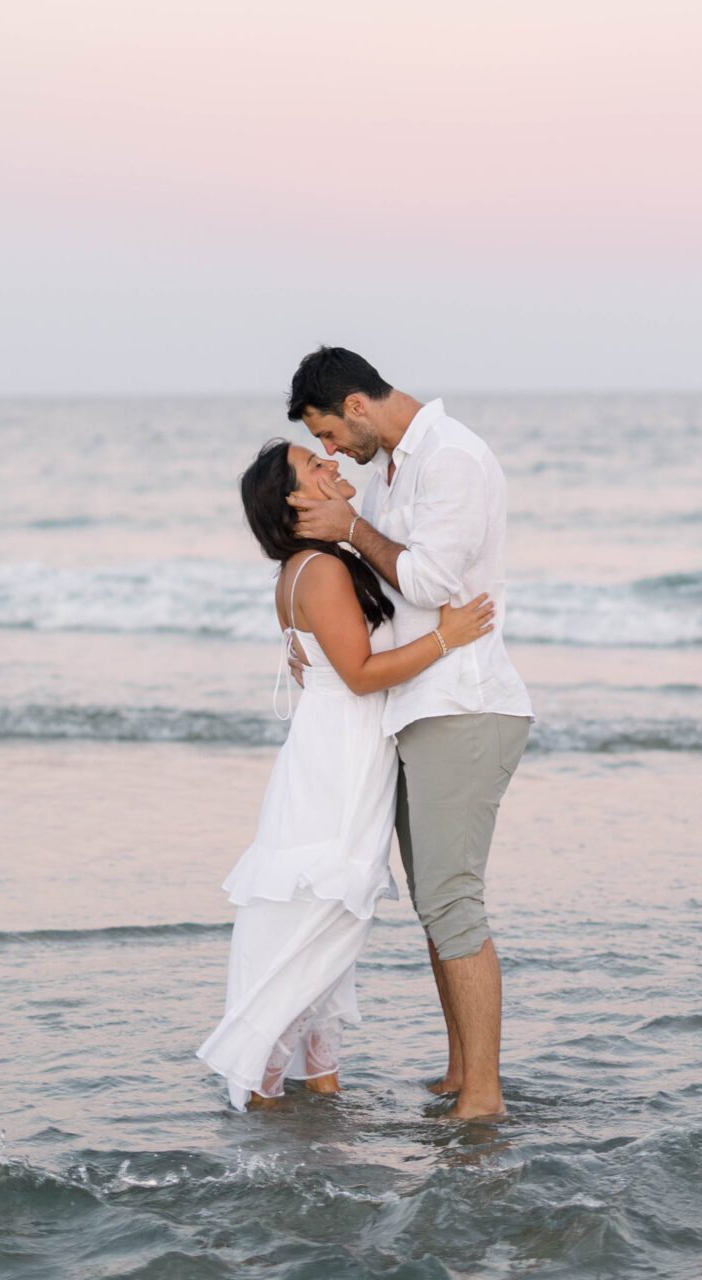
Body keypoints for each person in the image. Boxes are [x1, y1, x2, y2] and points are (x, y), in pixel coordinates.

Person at [197, 437, 494, 1111]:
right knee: (320, 920)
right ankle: (267, 1095)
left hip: (337, 754)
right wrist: (448, 636)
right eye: (315, 466)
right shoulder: (320, 570)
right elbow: (359, 676)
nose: (333, 466)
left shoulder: (322, 565)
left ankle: (314, 1090)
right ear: (295, 501)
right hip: (338, 763)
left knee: (323, 925)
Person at [287, 346, 532, 1121]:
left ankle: (483, 1097)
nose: (330, 452)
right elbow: (394, 601)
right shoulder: (398, 466)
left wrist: (352, 527)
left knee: (453, 901)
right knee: (435, 902)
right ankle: (461, 1074)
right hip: (420, 707)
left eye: (327, 433)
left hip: (464, 706)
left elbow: (427, 581)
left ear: (356, 405)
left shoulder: (451, 458)